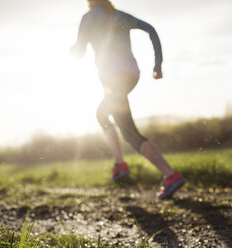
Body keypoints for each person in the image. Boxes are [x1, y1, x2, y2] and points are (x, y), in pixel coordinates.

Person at [70, 0, 185, 200]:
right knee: (102, 115)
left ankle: (170, 175)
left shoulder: (89, 18)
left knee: (129, 132)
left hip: (114, 79)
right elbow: (151, 30)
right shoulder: (119, 15)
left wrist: (75, 50)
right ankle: (120, 164)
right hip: (131, 75)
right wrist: (158, 64)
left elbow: (79, 51)